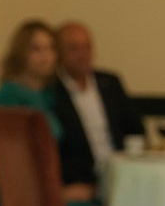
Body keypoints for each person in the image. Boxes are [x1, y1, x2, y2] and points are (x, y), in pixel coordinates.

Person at [0, 19, 95, 206]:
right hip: (7, 196)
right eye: (36, 49)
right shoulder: (8, 98)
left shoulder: (46, 97)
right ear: (21, 54)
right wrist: (62, 194)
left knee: (102, 205)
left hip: (38, 193)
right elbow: (13, 166)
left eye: (50, 48)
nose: (45, 56)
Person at [48, 20, 143, 195]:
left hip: (121, 173)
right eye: (74, 48)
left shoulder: (110, 83)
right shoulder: (51, 91)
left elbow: (136, 130)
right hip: (79, 182)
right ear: (58, 53)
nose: (83, 54)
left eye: (87, 46)